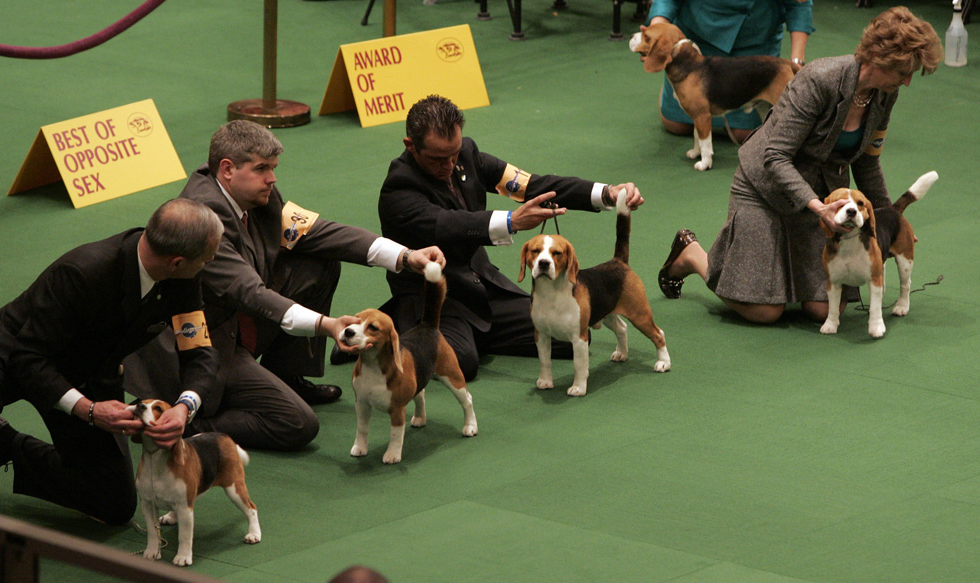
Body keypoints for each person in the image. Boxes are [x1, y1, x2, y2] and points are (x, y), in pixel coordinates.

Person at [123, 120, 445, 452]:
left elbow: (316, 232)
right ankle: (190, 424)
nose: (272, 178)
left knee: (317, 263)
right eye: (262, 169)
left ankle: (288, 374)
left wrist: (406, 256)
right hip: (204, 345)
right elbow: (251, 293)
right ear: (227, 169)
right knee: (297, 423)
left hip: (236, 320)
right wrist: (326, 325)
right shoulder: (203, 218)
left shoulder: (257, 194)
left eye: (273, 168)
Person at [657, 6, 943, 324]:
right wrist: (818, 208)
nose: (907, 82)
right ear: (879, 58)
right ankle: (692, 254)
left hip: (820, 193)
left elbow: (866, 161)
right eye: (904, 72)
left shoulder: (884, 94)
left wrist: (888, 220)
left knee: (823, 308)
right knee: (764, 311)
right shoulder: (819, 79)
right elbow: (775, 156)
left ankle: (780, 276)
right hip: (763, 187)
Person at [376, 95, 645, 381]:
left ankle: (472, 333)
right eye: (437, 158)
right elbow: (450, 224)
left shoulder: (467, 154)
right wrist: (511, 221)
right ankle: (397, 325)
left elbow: (534, 186)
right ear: (410, 145)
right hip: (433, 298)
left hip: (481, 287)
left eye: (453, 154)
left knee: (568, 336)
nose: (449, 165)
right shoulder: (399, 188)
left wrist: (607, 193)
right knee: (463, 364)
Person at [0, 199, 222, 525]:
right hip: (14, 352)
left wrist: (185, 406)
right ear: (177, 261)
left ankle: (6, 445)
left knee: (112, 501)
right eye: (207, 257)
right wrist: (88, 409)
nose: (211, 260)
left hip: (90, 372)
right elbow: (28, 358)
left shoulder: (184, 279)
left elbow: (199, 351)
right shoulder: (83, 271)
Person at [647, 0, 813, 144]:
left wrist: (797, 62)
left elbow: (798, 4)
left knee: (745, 134)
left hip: (753, 49)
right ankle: (676, 92)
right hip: (696, 46)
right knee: (677, 125)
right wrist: (655, 34)